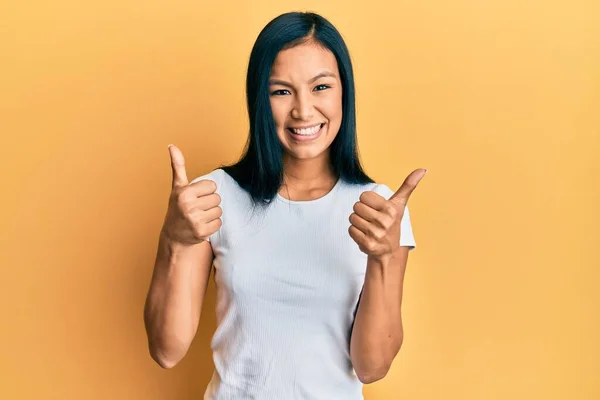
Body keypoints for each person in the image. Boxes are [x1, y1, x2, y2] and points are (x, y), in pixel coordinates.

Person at [143, 11, 426, 400]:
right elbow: (166, 350)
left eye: (321, 87)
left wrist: (382, 257)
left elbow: (372, 367)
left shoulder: (378, 210)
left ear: (345, 91)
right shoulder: (212, 197)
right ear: (259, 100)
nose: (303, 111)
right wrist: (172, 240)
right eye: (281, 91)